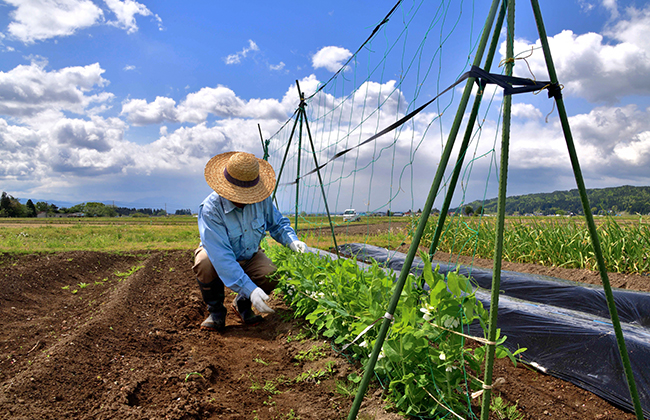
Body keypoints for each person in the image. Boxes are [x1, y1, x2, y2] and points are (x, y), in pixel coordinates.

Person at [192, 151, 307, 331]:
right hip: (217, 256)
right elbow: (221, 257)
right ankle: (216, 312)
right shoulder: (210, 209)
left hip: (250, 254)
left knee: (271, 274)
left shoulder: (261, 199)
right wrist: (250, 288)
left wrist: (291, 240)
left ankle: (242, 305)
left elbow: (277, 223)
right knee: (204, 262)